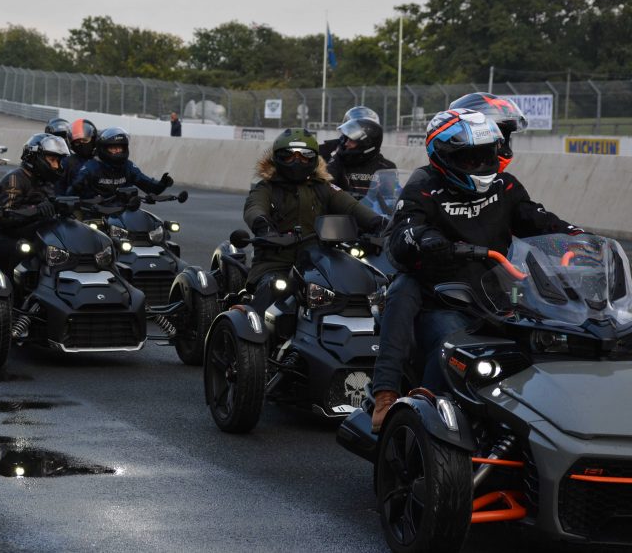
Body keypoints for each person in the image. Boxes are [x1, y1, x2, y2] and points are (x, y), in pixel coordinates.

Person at [369, 108, 581, 431]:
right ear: (443, 156)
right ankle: (394, 400)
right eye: (469, 158)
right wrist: (425, 239)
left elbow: (536, 218)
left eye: (485, 155)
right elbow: (400, 236)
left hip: (499, 297)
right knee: (445, 340)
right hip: (442, 298)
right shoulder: (422, 187)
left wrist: (576, 238)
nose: (479, 164)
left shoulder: (504, 187)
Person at [243, 128, 384, 310]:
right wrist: (263, 226)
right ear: (277, 158)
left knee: (362, 288)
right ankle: (255, 332)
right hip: (275, 263)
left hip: (318, 263)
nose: (296, 161)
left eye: (304, 156)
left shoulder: (323, 187)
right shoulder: (266, 187)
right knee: (273, 288)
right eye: (289, 156)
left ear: (314, 159)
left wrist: (380, 224)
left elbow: (352, 207)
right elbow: (254, 207)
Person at [0, 133, 69, 274]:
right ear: (34, 157)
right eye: (52, 160)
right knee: (27, 250)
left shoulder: (46, 181)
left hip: (33, 234)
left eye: (58, 161)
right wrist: (36, 210)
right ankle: (13, 292)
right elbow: (6, 218)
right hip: (1, 238)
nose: (56, 165)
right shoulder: (15, 179)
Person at [66, 127, 173, 200]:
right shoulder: (91, 167)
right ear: (103, 149)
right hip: (95, 215)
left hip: (123, 213)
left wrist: (162, 184)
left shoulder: (128, 166)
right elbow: (71, 193)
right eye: (113, 148)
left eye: (120, 147)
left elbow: (148, 186)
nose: (117, 151)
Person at [448, 92, 527, 172]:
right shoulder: (440, 179)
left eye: (503, 138)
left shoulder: (506, 182)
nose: (500, 146)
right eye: (495, 135)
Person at [326, 116, 397, 198]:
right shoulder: (338, 160)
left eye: (351, 140)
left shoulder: (386, 167)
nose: (346, 144)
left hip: (372, 211)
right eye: (346, 139)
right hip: (343, 209)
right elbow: (325, 187)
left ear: (366, 144)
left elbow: (390, 200)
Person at [58, 118, 97, 194]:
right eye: (77, 142)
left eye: (85, 140)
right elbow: (59, 189)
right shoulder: (67, 163)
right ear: (72, 144)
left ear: (93, 139)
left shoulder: (102, 159)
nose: (82, 144)